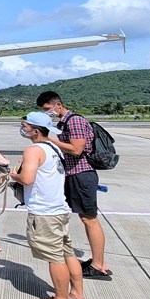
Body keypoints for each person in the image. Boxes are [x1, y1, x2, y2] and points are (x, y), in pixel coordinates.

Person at [10, 112, 89, 299]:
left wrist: (14, 175)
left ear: (35, 131)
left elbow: (27, 179)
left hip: (44, 211)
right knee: (67, 252)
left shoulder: (33, 150)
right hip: (60, 209)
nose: (22, 129)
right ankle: (77, 294)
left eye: (24, 126)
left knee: (55, 257)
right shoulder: (54, 148)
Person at [37, 91, 111, 279]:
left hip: (81, 174)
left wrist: (50, 140)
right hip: (74, 174)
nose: (47, 113)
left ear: (58, 104)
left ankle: (99, 265)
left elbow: (77, 149)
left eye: (47, 109)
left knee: (89, 219)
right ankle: (97, 261)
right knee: (86, 218)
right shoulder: (63, 123)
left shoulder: (74, 121)